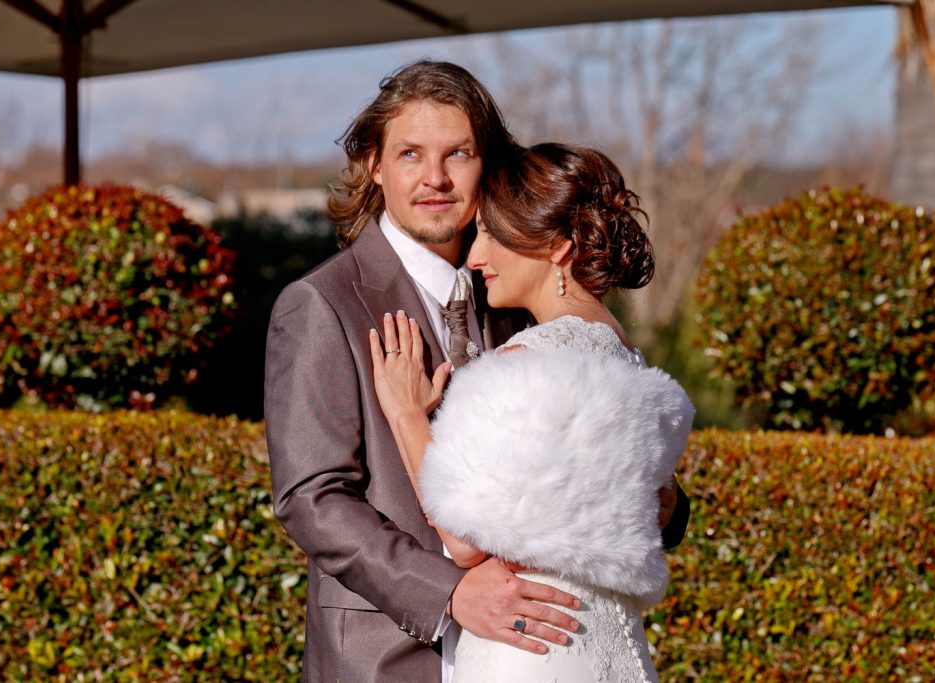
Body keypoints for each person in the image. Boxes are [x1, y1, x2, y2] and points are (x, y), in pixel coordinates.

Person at [265, 61, 689, 683]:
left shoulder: (519, 293)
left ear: (486, 162)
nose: (434, 178)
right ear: (375, 167)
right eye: (410, 153)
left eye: (457, 153)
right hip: (385, 660)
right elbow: (312, 498)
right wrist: (448, 594)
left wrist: (663, 500)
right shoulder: (322, 304)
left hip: (540, 652)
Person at [368, 142, 695, 682]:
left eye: (492, 235)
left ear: (558, 246)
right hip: (615, 651)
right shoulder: (623, 354)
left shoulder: (525, 360)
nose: (476, 258)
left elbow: (465, 541)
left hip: (533, 649)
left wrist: (406, 416)